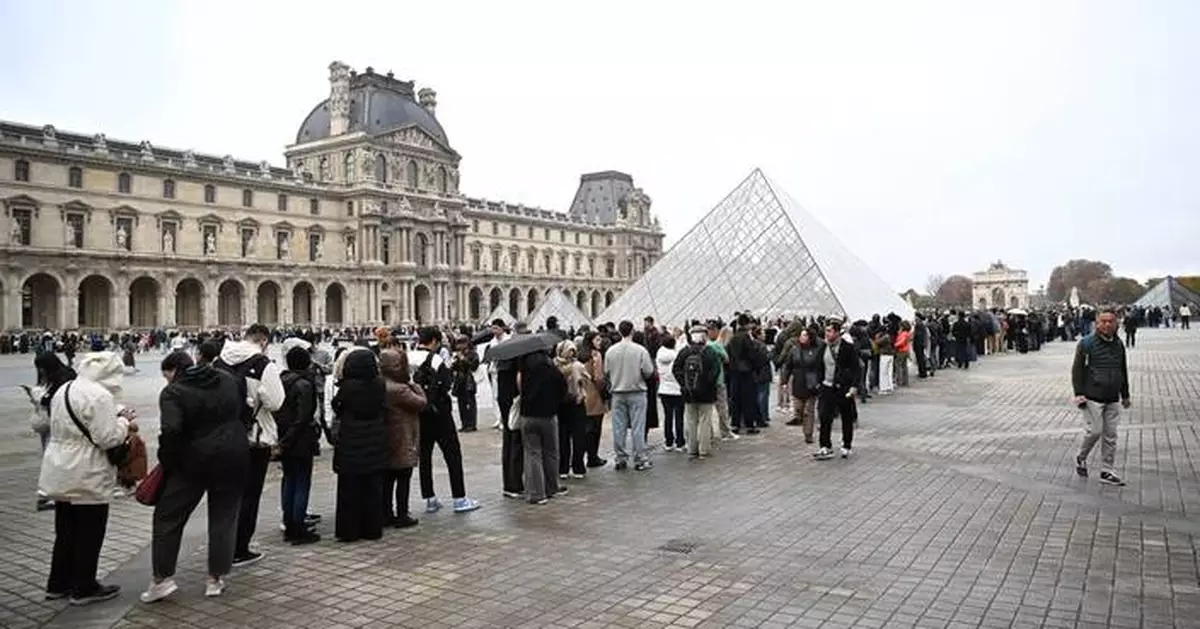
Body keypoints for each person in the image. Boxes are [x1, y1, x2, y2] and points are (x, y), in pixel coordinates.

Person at [140, 351, 249, 603]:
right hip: (233, 455)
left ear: (174, 371)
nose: (166, 381)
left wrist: (168, 461)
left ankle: (162, 579)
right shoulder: (227, 379)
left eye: (167, 376)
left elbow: (171, 432)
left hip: (192, 462)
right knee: (224, 517)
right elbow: (243, 410)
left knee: (168, 516)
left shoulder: (173, 392)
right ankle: (215, 578)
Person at [39, 352, 131, 605]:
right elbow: (106, 438)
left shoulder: (65, 388)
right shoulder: (100, 395)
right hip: (87, 470)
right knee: (91, 530)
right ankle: (84, 587)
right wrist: (123, 421)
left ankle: (57, 583)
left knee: (65, 530)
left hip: (60, 467)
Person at [215, 323, 284, 566]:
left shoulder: (219, 360)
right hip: (253, 437)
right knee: (249, 494)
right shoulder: (263, 365)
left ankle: (221, 547)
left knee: (226, 495)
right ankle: (239, 548)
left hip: (223, 436)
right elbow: (276, 402)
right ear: (264, 341)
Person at [410, 327, 481, 513]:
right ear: (434, 340)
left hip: (418, 412)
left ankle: (430, 499)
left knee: (424, 457)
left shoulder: (408, 357)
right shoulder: (435, 359)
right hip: (439, 413)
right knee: (452, 455)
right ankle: (459, 498)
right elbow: (446, 385)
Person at [330, 347, 390, 542]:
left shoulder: (347, 387)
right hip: (375, 437)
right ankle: (372, 528)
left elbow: (337, 405)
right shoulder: (380, 384)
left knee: (350, 488)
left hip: (351, 439)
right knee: (373, 487)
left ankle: (349, 530)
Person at [1072, 309, 1131, 486]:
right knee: (1096, 431)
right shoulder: (1086, 343)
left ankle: (1107, 470)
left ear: (1116, 323)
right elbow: (1077, 370)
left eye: (1110, 321)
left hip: (1112, 396)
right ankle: (1081, 456)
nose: (1106, 325)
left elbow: (1123, 369)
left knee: (1110, 435)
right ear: (1097, 323)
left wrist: (1125, 394)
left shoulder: (1119, 344)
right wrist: (1079, 393)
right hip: (1092, 396)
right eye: (1103, 321)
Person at [275, 347, 321, 545]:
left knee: (289, 480)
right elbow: (303, 418)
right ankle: (297, 527)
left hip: (285, 438)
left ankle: (288, 521)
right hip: (300, 440)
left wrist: (282, 441)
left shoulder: (281, 381)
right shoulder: (304, 384)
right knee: (302, 482)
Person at [379, 349, 426, 528]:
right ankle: (402, 514)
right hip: (402, 438)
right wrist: (414, 384)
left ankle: (386, 513)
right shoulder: (400, 389)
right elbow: (421, 403)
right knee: (403, 478)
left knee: (388, 479)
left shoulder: (379, 384)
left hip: (385, 437)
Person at [604, 321, 656, 471]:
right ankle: (640, 458)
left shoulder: (611, 351)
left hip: (617, 393)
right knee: (638, 427)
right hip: (637, 391)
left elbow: (606, 371)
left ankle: (620, 458)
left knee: (618, 427)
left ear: (620, 332)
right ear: (632, 331)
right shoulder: (640, 350)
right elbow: (648, 371)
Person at [518, 349, 567, 504]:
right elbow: (563, 390)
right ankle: (552, 487)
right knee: (551, 453)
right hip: (548, 416)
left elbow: (519, 390)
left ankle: (536, 493)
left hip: (528, 416)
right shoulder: (553, 372)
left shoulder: (525, 371)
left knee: (533, 454)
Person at [32, 353, 77, 511]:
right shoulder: (55, 376)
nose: (41, 372)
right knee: (50, 458)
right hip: (52, 423)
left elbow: (58, 399)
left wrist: (40, 398)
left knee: (55, 459)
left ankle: (54, 495)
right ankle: (50, 494)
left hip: (60, 425)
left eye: (42, 368)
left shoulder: (64, 377)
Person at [813, 322, 862, 461]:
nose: (827, 334)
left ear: (837, 333)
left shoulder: (848, 348)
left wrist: (854, 386)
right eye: (826, 331)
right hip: (826, 386)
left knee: (846, 417)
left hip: (843, 387)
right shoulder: (823, 347)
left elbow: (856, 368)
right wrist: (819, 383)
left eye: (829, 331)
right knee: (824, 417)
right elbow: (818, 365)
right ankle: (825, 446)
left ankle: (846, 445)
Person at [671, 326, 720, 460]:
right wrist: (707, 383)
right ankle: (704, 449)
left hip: (688, 393)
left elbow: (676, 369)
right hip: (707, 393)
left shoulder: (684, 352)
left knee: (691, 420)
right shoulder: (709, 351)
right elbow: (716, 370)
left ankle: (692, 449)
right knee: (705, 420)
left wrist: (684, 384)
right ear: (704, 337)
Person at [555, 341, 589, 479]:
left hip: (575, 403)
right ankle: (563, 468)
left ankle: (577, 467)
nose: (572, 353)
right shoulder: (556, 366)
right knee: (563, 437)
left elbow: (587, 379)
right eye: (569, 350)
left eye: (573, 351)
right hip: (563, 404)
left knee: (578, 437)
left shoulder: (575, 365)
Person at [781, 328, 821, 443]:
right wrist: (784, 380)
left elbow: (820, 367)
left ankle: (808, 434)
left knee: (809, 410)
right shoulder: (794, 350)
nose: (801, 337)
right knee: (799, 409)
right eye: (801, 335)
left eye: (804, 335)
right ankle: (800, 419)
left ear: (810, 338)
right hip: (798, 382)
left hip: (811, 381)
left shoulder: (817, 350)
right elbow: (788, 366)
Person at [578, 331, 609, 468]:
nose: (600, 342)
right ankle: (593, 457)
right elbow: (599, 378)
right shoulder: (596, 355)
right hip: (595, 396)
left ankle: (581, 456)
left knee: (585, 429)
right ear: (591, 341)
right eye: (597, 340)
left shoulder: (580, 355)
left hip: (583, 395)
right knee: (596, 429)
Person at [656, 336, 684, 452]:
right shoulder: (678, 356)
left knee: (667, 417)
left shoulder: (659, 355)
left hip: (664, 389)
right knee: (679, 417)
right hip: (677, 390)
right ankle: (680, 442)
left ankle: (668, 442)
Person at [450, 336, 480, 432]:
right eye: (459, 344)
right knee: (461, 403)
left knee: (470, 403)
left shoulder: (473, 354)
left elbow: (473, 366)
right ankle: (464, 423)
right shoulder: (459, 354)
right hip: (460, 381)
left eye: (462, 343)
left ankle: (472, 424)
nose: (460, 346)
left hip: (469, 380)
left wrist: (463, 359)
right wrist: (455, 362)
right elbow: (454, 368)